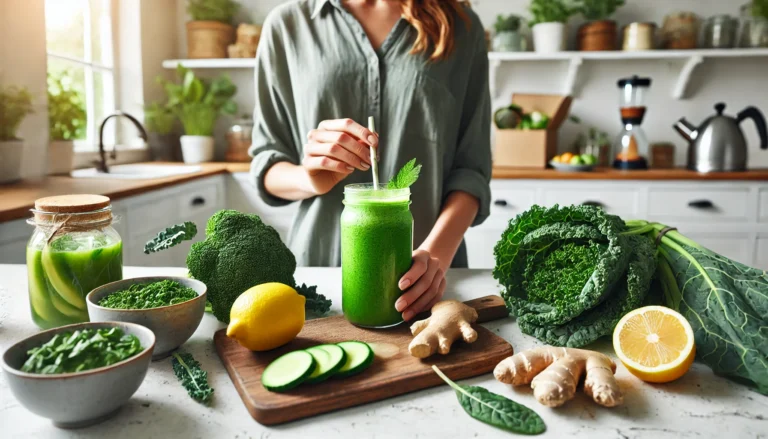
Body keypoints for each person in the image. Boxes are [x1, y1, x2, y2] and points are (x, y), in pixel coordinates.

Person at [249, 0, 491, 322]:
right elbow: (267, 163)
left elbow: (471, 170)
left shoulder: (460, 26)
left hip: (428, 283)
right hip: (319, 272)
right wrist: (309, 177)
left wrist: (435, 256)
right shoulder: (288, 24)